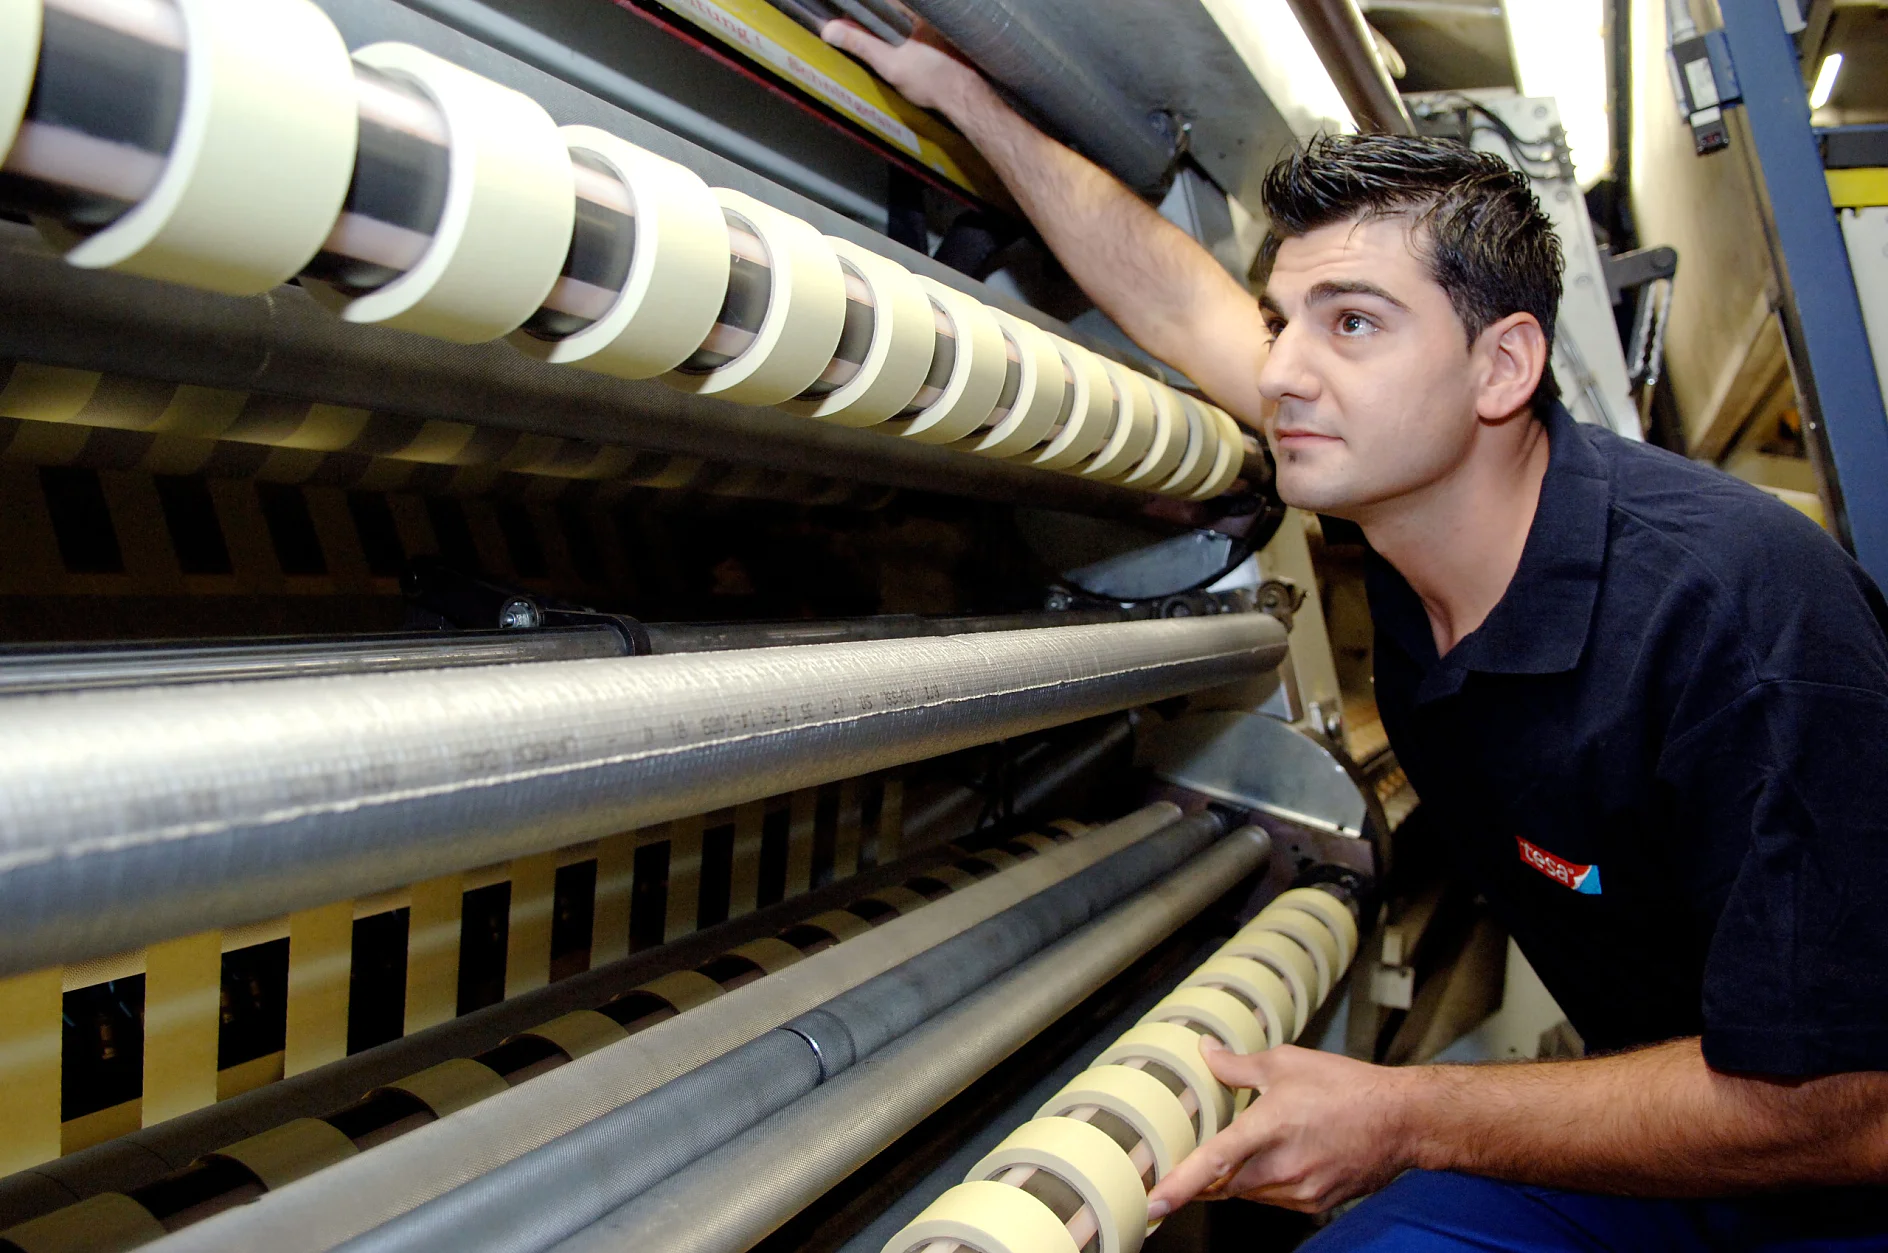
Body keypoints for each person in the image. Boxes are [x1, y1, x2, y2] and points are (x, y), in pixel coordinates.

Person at [824, 18, 1888, 1249]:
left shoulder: (1737, 619)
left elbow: (1849, 1105)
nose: (1280, 373)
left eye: (1354, 323)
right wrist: (965, 89)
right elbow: (1175, 295)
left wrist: (1408, 1111)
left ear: (1502, 367)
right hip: (1668, 1138)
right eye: (1283, 323)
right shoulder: (1410, 494)